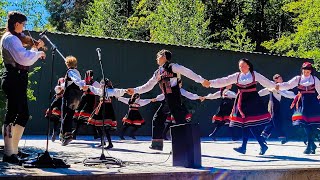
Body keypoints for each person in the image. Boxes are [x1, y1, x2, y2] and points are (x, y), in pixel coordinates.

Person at [127, 49, 210, 150]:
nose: (156, 58)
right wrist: (135, 90)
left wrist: (201, 80)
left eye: (158, 56)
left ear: (164, 56)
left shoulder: (173, 66)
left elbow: (188, 72)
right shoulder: (157, 72)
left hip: (174, 96)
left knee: (179, 120)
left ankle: (185, 145)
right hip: (167, 98)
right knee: (158, 119)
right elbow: (148, 86)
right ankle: (157, 144)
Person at [0, 11, 46, 163]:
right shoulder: (10, 38)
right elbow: (24, 59)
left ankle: (14, 150)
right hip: (13, 77)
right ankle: (8, 153)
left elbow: (25, 56)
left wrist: (34, 49)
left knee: (23, 114)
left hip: (19, 78)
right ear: (17, 24)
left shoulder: (14, 38)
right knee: (12, 113)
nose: (24, 28)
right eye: (24, 24)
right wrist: (38, 52)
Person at [209, 58, 275, 155]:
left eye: (243, 65)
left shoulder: (254, 74)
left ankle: (249, 146)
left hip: (252, 101)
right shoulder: (237, 76)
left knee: (248, 124)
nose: (241, 67)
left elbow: (266, 82)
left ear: (248, 65)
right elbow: (225, 80)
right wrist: (211, 83)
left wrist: (275, 86)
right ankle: (257, 145)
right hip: (241, 101)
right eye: (240, 66)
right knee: (246, 124)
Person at [276, 62, 320, 154]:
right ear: (302, 70)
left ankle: (310, 145)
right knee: (304, 123)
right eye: (304, 71)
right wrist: (279, 86)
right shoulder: (298, 79)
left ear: (311, 71)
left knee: (311, 124)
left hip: (312, 103)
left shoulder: (314, 79)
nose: (306, 73)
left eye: (308, 71)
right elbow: (288, 85)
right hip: (302, 103)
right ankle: (311, 144)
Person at [85, 78, 126, 149]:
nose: (100, 85)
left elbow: (118, 91)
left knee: (105, 127)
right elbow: (95, 89)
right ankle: (102, 141)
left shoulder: (110, 91)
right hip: (100, 108)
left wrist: (125, 90)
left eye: (102, 83)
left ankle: (110, 143)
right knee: (97, 125)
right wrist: (89, 86)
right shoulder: (101, 90)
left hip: (106, 109)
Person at [258, 74, 295, 144]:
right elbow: (263, 91)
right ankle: (282, 136)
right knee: (276, 121)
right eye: (280, 79)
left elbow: (286, 93)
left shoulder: (279, 87)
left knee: (272, 122)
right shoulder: (272, 86)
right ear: (276, 80)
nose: (282, 80)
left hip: (275, 106)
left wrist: (294, 96)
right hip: (273, 106)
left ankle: (263, 136)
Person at [60, 56, 85, 146]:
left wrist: (82, 84)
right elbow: (71, 82)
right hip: (76, 97)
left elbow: (76, 80)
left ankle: (67, 135)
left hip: (69, 96)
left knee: (66, 115)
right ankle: (65, 135)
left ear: (67, 64)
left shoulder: (70, 72)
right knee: (69, 115)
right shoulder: (77, 72)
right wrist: (61, 86)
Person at [72, 70, 100, 140]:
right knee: (89, 116)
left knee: (84, 116)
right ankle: (95, 134)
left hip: (87, 99)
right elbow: (99, 91)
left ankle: (75, 133)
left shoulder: (85, 82)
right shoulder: (94, 83)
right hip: (88, 99)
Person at [45, 77, 64, 142]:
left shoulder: (58, 92)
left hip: (57, 109)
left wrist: (49, 109)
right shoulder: (62, 89)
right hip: (62, 109)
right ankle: (60, 135)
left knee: (56, 122)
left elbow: (53, 103)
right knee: (62, 122)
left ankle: (55, 133)